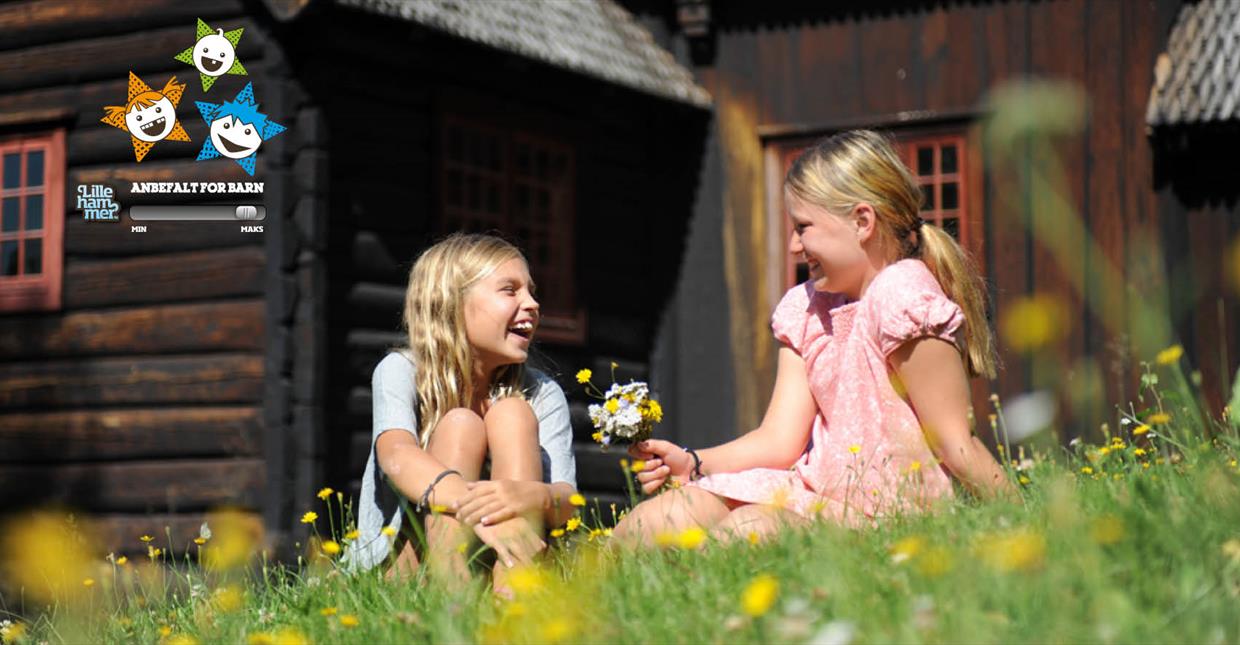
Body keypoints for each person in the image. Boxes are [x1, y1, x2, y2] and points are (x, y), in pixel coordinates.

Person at [615, 130, 1014, 545]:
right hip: (819, 501)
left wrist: (1031, 522)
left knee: (748, 533)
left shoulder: (903, 295)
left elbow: (955, 443)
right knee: (653, 522)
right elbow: (778, 440)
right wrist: (694, 463)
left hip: (893, 521)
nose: (792, 246)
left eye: (802, 227)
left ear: (862, 221)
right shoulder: (807, 307)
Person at [346, 233, 578, 591]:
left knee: (512, 414)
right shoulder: (401, 371)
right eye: (510, 290)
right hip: (414, 566)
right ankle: (450, 601)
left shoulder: (543, 393)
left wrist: (522, 498)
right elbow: (395, 454)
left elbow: (568, 501)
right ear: (451, 302)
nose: (532, 304)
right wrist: (479, 507)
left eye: (531, 291)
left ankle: (514, 595)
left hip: (514, 549)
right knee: (460, 425)